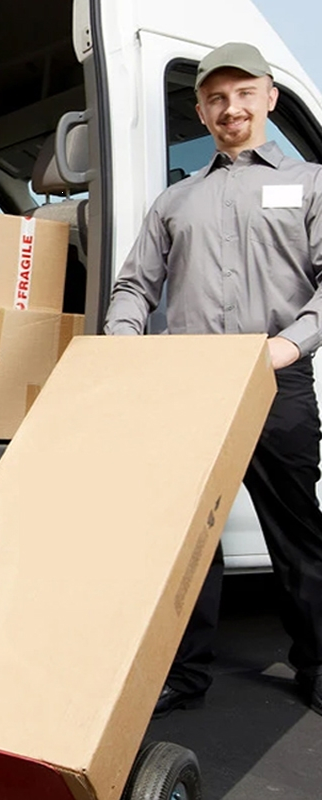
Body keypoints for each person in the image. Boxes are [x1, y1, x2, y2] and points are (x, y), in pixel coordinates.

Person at [104, 42, 322, 717]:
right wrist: (121, 344)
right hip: (189, 386)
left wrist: (288, 347)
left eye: (244, 94)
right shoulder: (176, 201)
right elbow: (135, 286)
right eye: (217, 98)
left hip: (273, 380)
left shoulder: (312, 183)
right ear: (201, 110)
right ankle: (183, 675)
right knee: (188, 540)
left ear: (269, 98)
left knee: (297, 537)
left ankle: (316, 665)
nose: (231, 108)